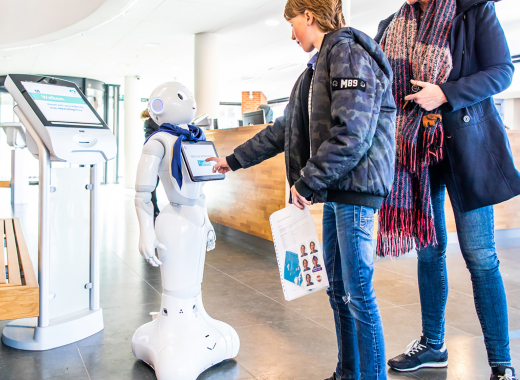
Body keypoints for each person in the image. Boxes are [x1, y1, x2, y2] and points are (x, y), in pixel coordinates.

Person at [207, 1, 397, 379]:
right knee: (339, 291)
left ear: (308, 16)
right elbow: (284, 130)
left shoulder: (347, 52)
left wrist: (308, 180)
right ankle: (348, 372)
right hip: (336, 190)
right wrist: (234, 160)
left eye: (292, 22)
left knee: (357, 294)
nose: (291, 33)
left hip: (354, 192)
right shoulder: (315, 69)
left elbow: (352, 133)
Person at [375, 0, 518, 379]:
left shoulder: (473, 10)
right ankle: (432, 345)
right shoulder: (392, 24)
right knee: (429, 252)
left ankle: (501, 363)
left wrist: (445, 93)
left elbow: (502, 72)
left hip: (464, 147)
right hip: (415, 154)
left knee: (480, 256)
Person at [141, 109, 161, 218]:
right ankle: (154, 208)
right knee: (153, 185)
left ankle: (154, 208)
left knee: (153, 184)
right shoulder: (152, 122)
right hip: (154, 156)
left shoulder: (149, 121)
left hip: (152, 155)